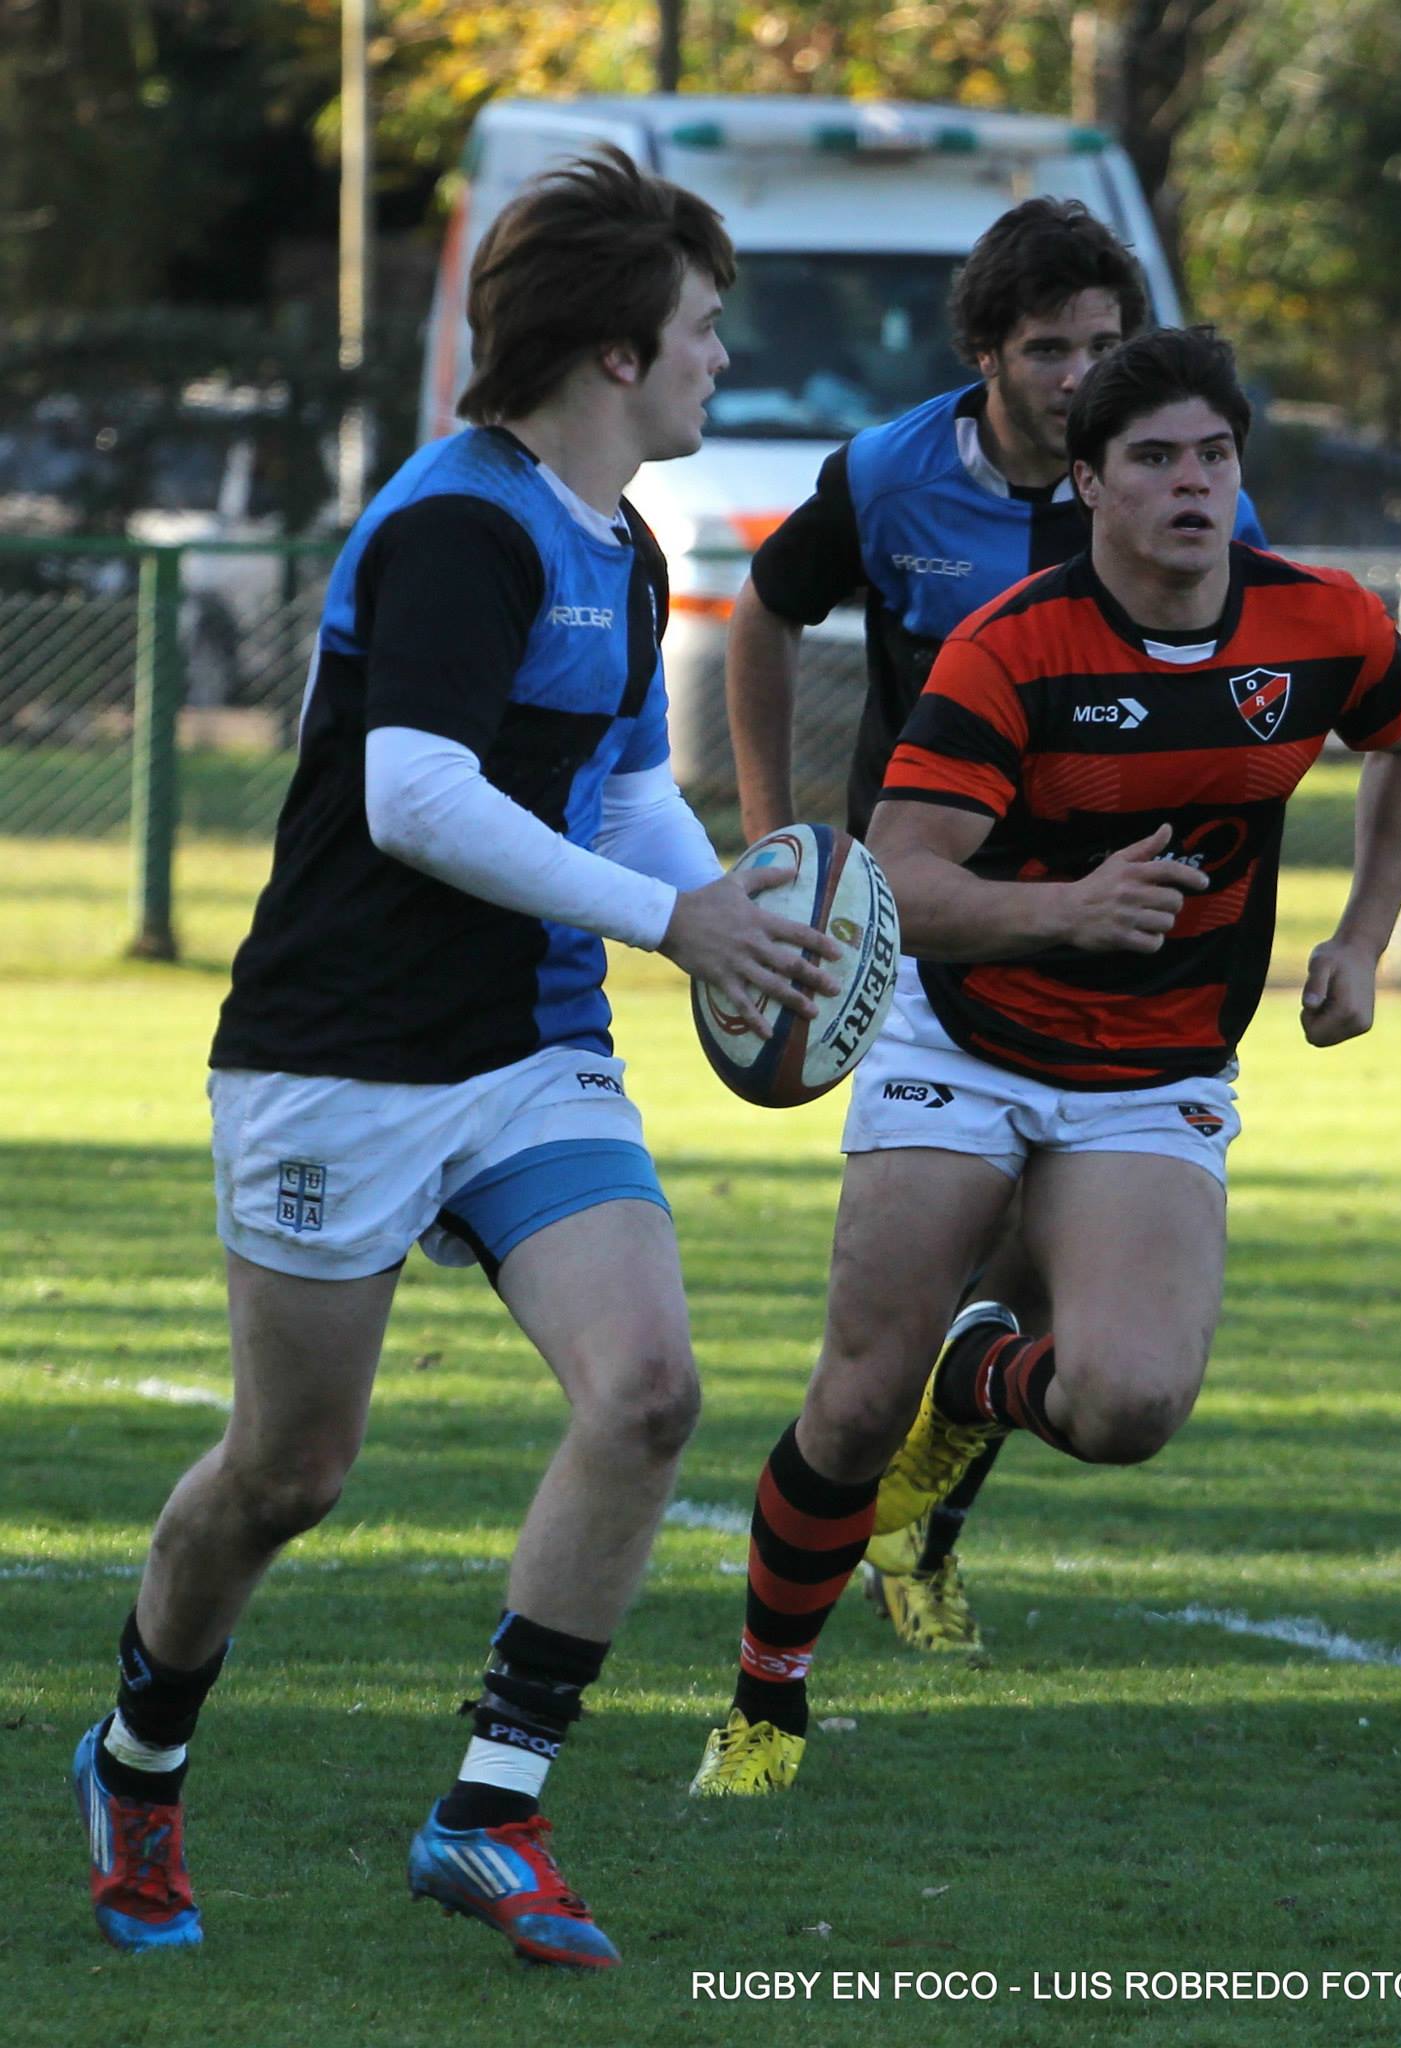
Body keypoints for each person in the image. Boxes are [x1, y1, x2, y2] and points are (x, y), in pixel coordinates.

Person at [72, 147, 840, 1968]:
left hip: (529, 1050)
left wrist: (719, 902)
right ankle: (139, 1757)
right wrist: (677, 927)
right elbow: (414, 796)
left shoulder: (622, 546)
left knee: (649, 1389)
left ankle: (493, 1809)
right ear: (615, 356)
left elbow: (624, 785)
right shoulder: (456, 531)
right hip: (339, 1055)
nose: (724, 358)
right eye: (705, 330)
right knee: (288, 1471)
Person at [689, 324, 1401, 1796]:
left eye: (1214, 456)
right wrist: (1066, 911)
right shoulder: (1014, 648)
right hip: (963, 1038)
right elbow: (901, 879)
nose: (1191, 486)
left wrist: (1364, 935)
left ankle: (983, 1372)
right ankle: (766, 1709)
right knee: (853, 1402)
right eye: (1154, 459)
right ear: (1089, 481)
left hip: (1158, 1065)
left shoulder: (1318, 624)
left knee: (1129, 1407)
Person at [723, 197, 1267, 1659]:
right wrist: (785, 846)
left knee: (1037, 1282)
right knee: (903, 1330)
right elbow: (763, 614)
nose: (1084, 372)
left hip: (1129, 956)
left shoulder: (1177, 477)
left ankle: (925, 1516)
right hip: (947, 929)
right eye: (1049, 349)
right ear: (985, 356)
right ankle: (811, 1625)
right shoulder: (895, 474)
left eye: (1107, 342)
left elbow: (1260, 663)